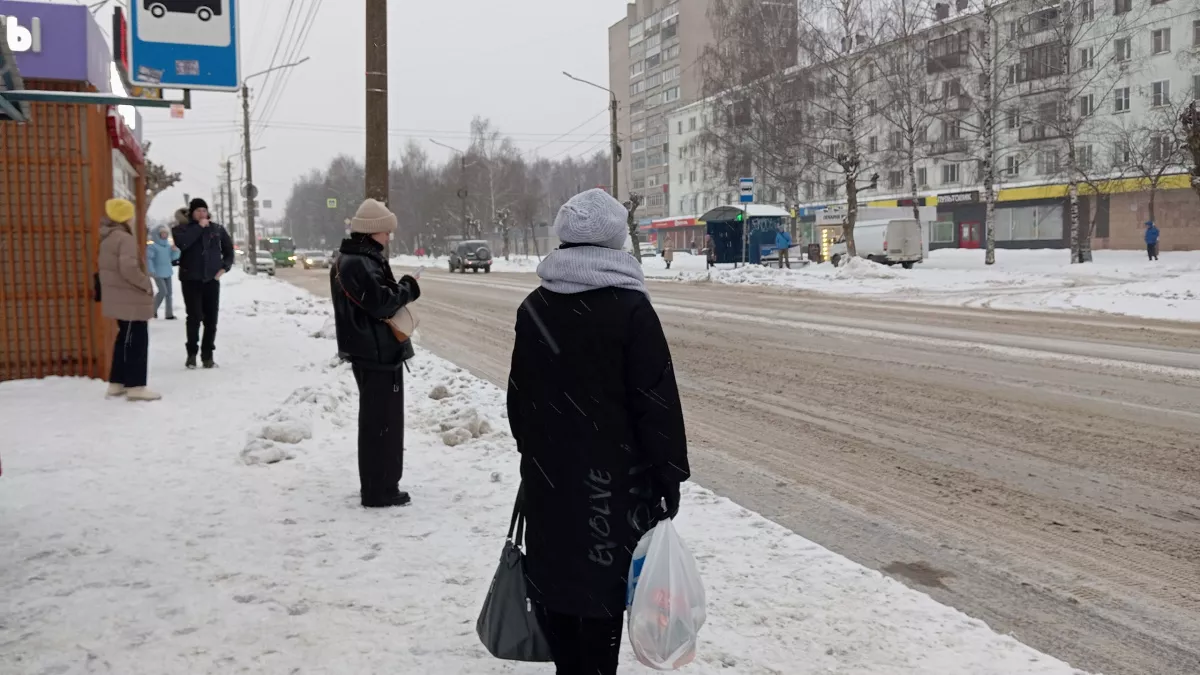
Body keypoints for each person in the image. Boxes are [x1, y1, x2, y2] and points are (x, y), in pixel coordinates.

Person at [506, 188, 690, 674]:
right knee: (601, 597)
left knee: (558, 589)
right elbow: (656, 402)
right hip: (613, 486)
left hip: (550, 480)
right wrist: (667, 475)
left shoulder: (535, 307)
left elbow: (518, 402)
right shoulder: (630, 309)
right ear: (616, 243)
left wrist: (540, 455)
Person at [330, 199, 422, 508]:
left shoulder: (357, 259)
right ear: (372, 232)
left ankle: (380, 484)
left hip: (372, 350)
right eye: (386, 232)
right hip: (376, 352)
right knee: (381, 423)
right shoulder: (359, 262)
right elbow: (382, 303)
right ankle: (379, 488)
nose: (388, 238)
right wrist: (409, 287)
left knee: (379, 420)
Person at [98, 199, 161, 401]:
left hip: (118, 298)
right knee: (137, 341)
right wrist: (146, 283)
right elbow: (128, 268)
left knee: (123, 339)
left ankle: (117, 383)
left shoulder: (108, 236)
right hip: (130, 298)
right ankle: (135, 386)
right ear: (126, 217)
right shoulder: (124, 238)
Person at [172, 198, 234, 369]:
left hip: (211, 280)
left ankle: (208, 356)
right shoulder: (180, 229)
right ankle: (191, 354)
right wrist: (199, 227)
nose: (201, 213)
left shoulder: (217, 229)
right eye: (198, 210)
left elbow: (229, 251)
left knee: (211, 320)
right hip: (190, 279)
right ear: (192, 213)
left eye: (204, 210)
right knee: (194, 317)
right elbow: (183, 244)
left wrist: (224, 268)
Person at [146, 224, 180, 319]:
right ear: (157, 234)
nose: (164, 235)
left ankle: (169, 314)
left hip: (167, 272)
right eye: (162, 233)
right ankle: (152, 311)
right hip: (157, 273)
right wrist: (151, 270)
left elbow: (173, 258)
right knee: (163, 291)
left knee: (169, 294)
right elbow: (149, 259)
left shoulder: (168, 246)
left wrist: (175, 251)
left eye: (166, 233)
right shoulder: (152, 246)